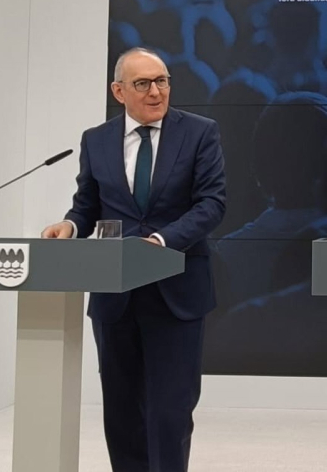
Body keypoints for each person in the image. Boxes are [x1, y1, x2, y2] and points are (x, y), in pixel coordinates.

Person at [42, 47, 226, 472]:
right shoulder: (96, 140)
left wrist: (161, 241)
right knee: (122, 412)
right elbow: (87, 205)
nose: (155, 92)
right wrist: (69, 225)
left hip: (176, 291)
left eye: (162, 81)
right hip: (115, 293)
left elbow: (211, 204)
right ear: (118, 91)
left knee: (170, 413)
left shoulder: (200, 133)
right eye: (143, 84)